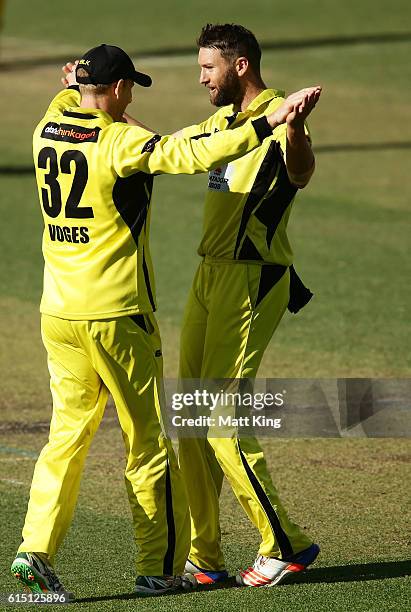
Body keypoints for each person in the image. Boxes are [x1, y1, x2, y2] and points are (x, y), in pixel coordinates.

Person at [9, 43, 316, 599]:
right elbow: (185, 153)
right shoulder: (120, 142)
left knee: (65, 438)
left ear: (77, 87)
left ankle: (34, 548)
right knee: (149, 443)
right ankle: (158, 566)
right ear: (122, 89)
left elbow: (87, 112)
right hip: (118, 317)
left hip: (57, 312)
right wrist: (266, 123)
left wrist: (77, 86)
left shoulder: (46, 127)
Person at [175, 24, 322, 588]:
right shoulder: (223, 123)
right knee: (189, 417)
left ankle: (286, 544)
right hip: (207, 275)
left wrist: (298, 125)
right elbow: (174, 148)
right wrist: (106, 111)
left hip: (251, 279)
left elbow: (302, 173)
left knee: (221, 421)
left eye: (208, 68)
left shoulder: (280, 115)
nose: (201, 78)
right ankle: (204, 557)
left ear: (239, 66)